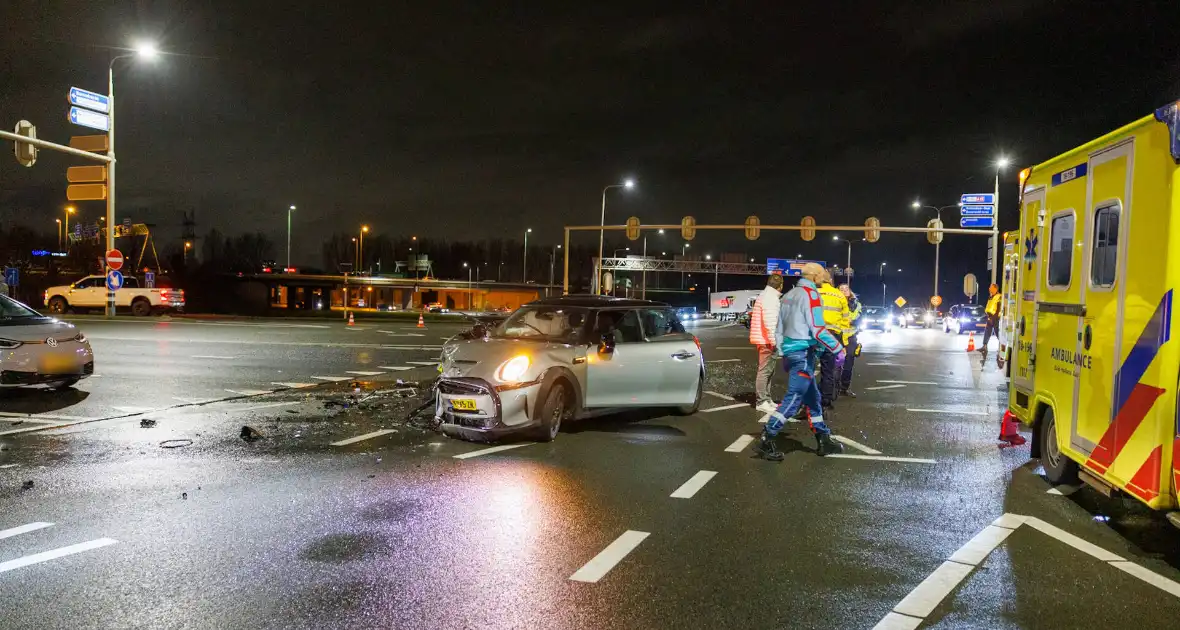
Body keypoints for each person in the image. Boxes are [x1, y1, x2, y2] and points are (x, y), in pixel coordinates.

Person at [753, 263, 845, 461]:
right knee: (794, 398)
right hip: (803, 353)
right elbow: (817, 329)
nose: (825, 276)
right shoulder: (811, 296)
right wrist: (838, 349)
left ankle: (823, 438)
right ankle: (768, 436)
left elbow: (778, 328)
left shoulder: (788, 295)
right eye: (822, 273)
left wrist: (783, 351)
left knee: (813, 399)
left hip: (792, 352)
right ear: (813, 276)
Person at [749, 274, 785, 413]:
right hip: (767, 340)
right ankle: (761, 401)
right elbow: (770, 321)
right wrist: (773, 340)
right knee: (765, 371)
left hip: (764, 338)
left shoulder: (766, 295)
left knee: (768, 371)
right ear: (780, 285)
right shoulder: (771, 298)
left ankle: (767, 399)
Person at [817, 271, 850, 409]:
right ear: (830, 281)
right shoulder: (839, 295)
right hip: (833, 336)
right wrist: (844, 342)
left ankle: (806, 399)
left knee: (807, 368)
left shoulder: (815, 292)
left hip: (816, 333)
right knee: (828, 368)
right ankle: (826, 400)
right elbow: (846, 320)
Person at [838, 283, 862, 396]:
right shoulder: (835, 302)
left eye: (846, 289)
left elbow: (857, 319)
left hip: (851, 337)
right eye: (841, 289)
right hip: (837, 336)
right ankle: (834, 387)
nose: (844, 291)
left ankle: (845, 387)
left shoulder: (856, 304)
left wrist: (847, 319)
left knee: (848, 363)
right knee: (835, 363)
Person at [981, 283, 1001, 352]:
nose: (989, 288)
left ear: (995, 288)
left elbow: (999, 309)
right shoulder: (991, 296)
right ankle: (984, 346)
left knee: (997, 332)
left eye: (991, 287)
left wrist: (993, 318)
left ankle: (1002, 346)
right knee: (987, 331)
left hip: (995, 318)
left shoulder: (998, 296)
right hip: (990, 317)